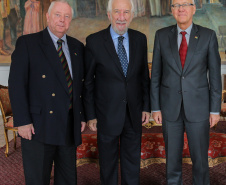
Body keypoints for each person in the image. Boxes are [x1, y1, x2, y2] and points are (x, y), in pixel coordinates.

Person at [8, 0, 86, 184]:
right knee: (38, 179)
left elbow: (79, 86)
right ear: (48, 17)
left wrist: (81, 115)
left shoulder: (77, 47)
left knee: (68, 179)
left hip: (68, 123)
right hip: (38, 126)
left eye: (67, 16)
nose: (62, 20)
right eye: (58, 15)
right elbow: (16, 84)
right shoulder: (28, 43)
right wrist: (23, 121)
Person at [150, 0, 222, 184]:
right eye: (176, 5)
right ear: (172, 10)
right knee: (172, 160)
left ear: (194, 8)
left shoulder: (208, 36)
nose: (180, 8)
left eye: (185, 4)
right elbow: (156, 75)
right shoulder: (161, 35)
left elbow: (215, 76)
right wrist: (156, 108)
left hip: (199, 108)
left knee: (200, 160)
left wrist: (214, 110)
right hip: (169, 108)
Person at [84, 0, 150, 184]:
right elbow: (88, 83)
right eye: (117, 12)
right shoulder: (94, 41)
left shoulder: (140, 39)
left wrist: (146, 107)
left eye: (126, 12)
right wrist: (91, 115)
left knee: (132, 162)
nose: (122, 17)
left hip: (134, 112)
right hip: (106, 114)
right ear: (109, 14)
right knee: (108, 164)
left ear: (132, 15)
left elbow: (144, 76)